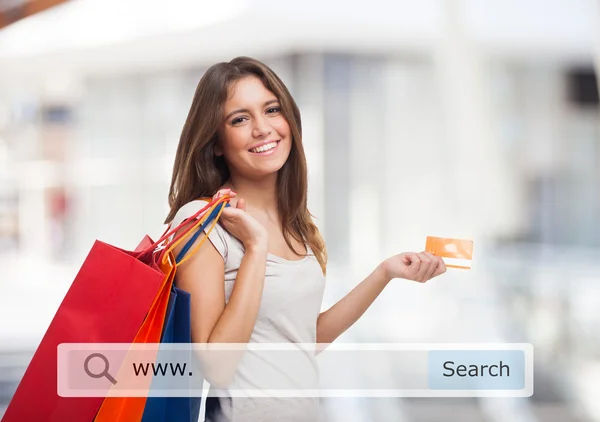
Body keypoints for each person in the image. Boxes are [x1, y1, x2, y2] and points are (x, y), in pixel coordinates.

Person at [164, 56, 447, 422]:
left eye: (271, 110)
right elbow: (216, 365)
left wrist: (384, 273)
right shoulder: (204, 222)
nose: (262, 128)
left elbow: (301, 340)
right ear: (216, 142)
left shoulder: (297, 224)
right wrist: (255, 249)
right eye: (240, 119)